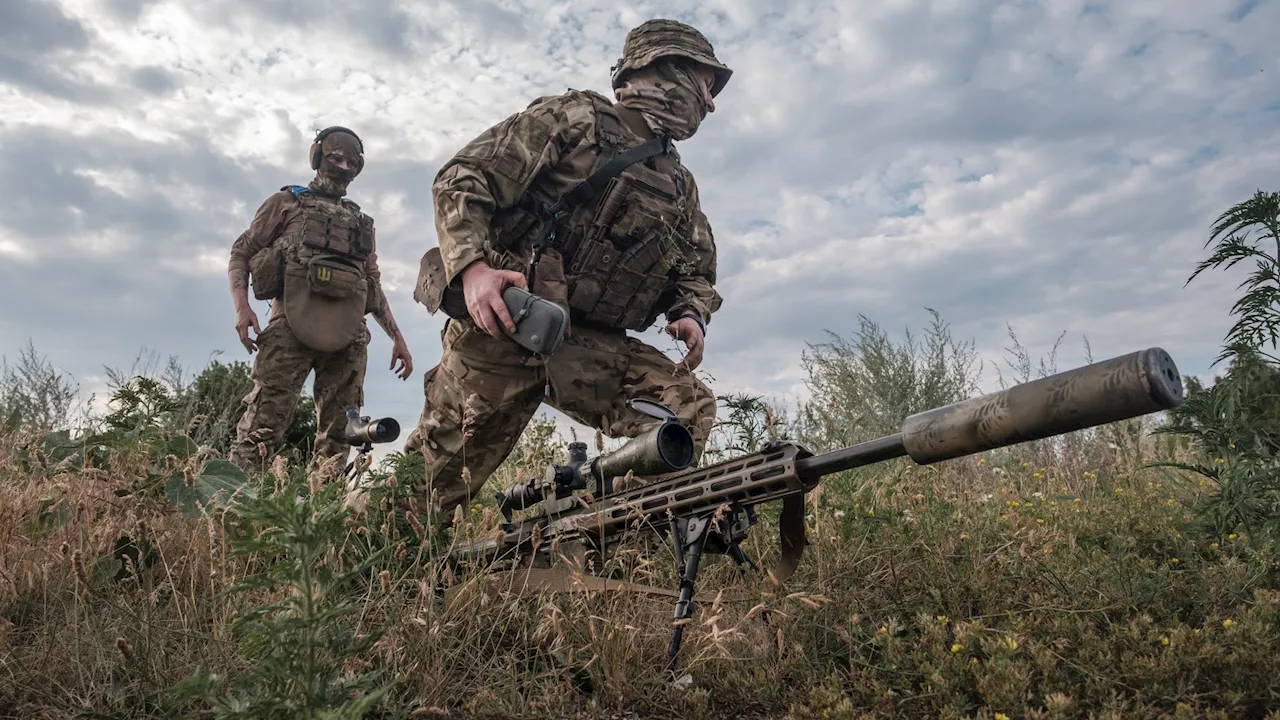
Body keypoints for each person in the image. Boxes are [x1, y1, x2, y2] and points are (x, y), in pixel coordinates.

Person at [407, 18, 732, 518]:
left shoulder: (679, 185)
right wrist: (472, 270)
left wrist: (691, 311)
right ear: (665, 70)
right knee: (427, 494)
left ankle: (613, 537)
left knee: (683, 409)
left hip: (586, 347)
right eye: (705, 86)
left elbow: (695, 268)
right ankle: (343, 563)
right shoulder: (575, 119)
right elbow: (462, 178)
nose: (711, 104)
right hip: (507, 328)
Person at [226, 126, 414, 470]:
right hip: (289, 328)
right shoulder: (285, 203)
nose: (343, 167)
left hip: (348, 336)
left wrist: (398, 338)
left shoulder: (360, 223)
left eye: (351, 162)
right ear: (316, 158)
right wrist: (243, 308)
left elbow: (371, 283)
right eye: (335, 158)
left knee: (340, 435)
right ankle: (232, 512)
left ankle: (322, 516)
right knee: (260, 430)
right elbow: (241, 252)